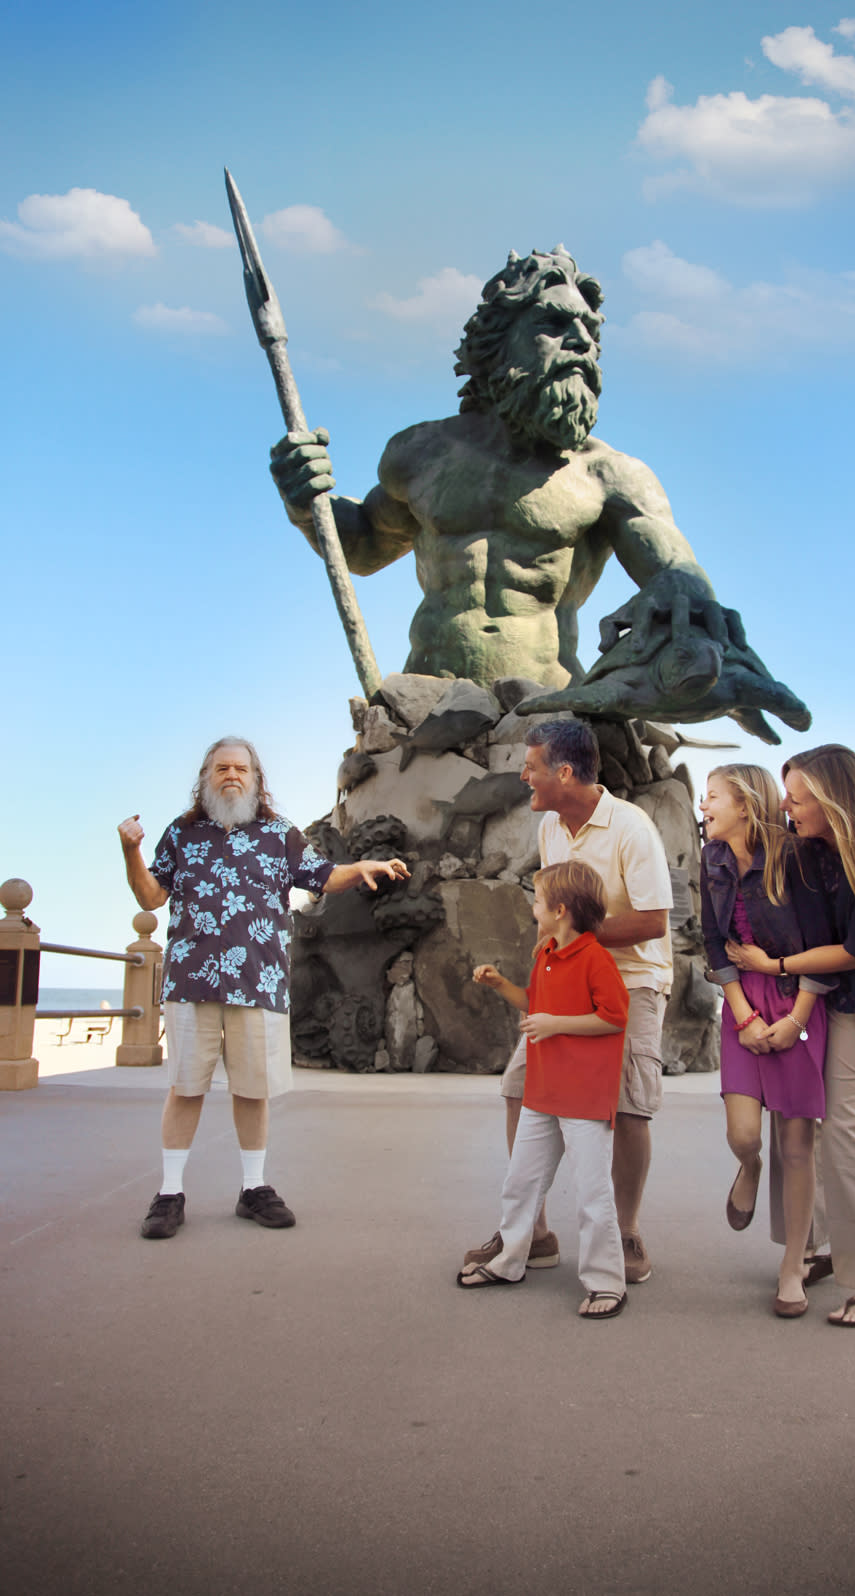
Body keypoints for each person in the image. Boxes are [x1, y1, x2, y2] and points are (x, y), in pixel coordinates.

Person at [268, 246, 808, 743]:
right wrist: (304, 499)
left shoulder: (609, 476)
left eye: (591, 332)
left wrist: (702, 642)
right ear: (498, 342)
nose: (581, 342)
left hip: (545, 717)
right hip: (429, 712)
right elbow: (361, 547)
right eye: (553, 323)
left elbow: (677, 580)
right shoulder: (422, 453)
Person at [118, 737, 410, 1240]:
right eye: (221, 768)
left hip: (260, 983)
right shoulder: (181, 833)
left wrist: (361, 868)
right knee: (185, 1088)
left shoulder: (279, 834)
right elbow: (150, 894)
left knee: (254, 1093)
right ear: (205, 776)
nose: (231, 775)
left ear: (256, 779)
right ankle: (169, 1193)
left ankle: (253, 1188)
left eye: (241, 769)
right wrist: (131, 851)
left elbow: (322, 874)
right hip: (191, 982)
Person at [726, 744, 855, 1327]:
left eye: (797, 796)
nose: (788, 806)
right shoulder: (815, 849)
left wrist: (777, 969)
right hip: (819, 1004)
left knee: (845, 1129)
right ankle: (809, 1246)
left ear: (832, 798)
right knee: (799, 1119)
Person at [463, 719, 672, 1285]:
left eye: (530, 765)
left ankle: (624, 1231)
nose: (522, 774)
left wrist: (580, 941)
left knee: (627, 1106)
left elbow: (653, 920)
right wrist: (546, 977)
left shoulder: (632, 828)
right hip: (564, 983)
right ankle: (531, 1233)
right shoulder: (552, 829)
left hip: (634, 980)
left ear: (564, 772)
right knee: (517, 1088)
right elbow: (555, 913)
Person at [459, 861, 630, 1319]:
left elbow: (614, 1016)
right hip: (542, 1091)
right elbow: (535, 1005)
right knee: (521, 1181)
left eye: (537, 901)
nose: (533, 908)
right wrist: (501, 986)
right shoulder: (546, 954)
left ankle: (607, 1282)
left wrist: (557, 1025)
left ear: (561, 910)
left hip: (585, 1098)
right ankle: (510, 1259)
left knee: (593, 1193)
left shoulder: (596, 958)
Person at [699, 765, 834, 1318]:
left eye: (711, 797)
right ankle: (749, 1169)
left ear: (745, 804)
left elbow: (824, 943)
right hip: (743, 1001)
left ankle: (792, 1266)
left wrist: (796, 1020)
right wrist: (743, 1015)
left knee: (798, 1148)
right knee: (744, 1133)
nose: (702, 806)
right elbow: (713, 943)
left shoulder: (796, 857)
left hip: (800, 995)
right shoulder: (712, 861)